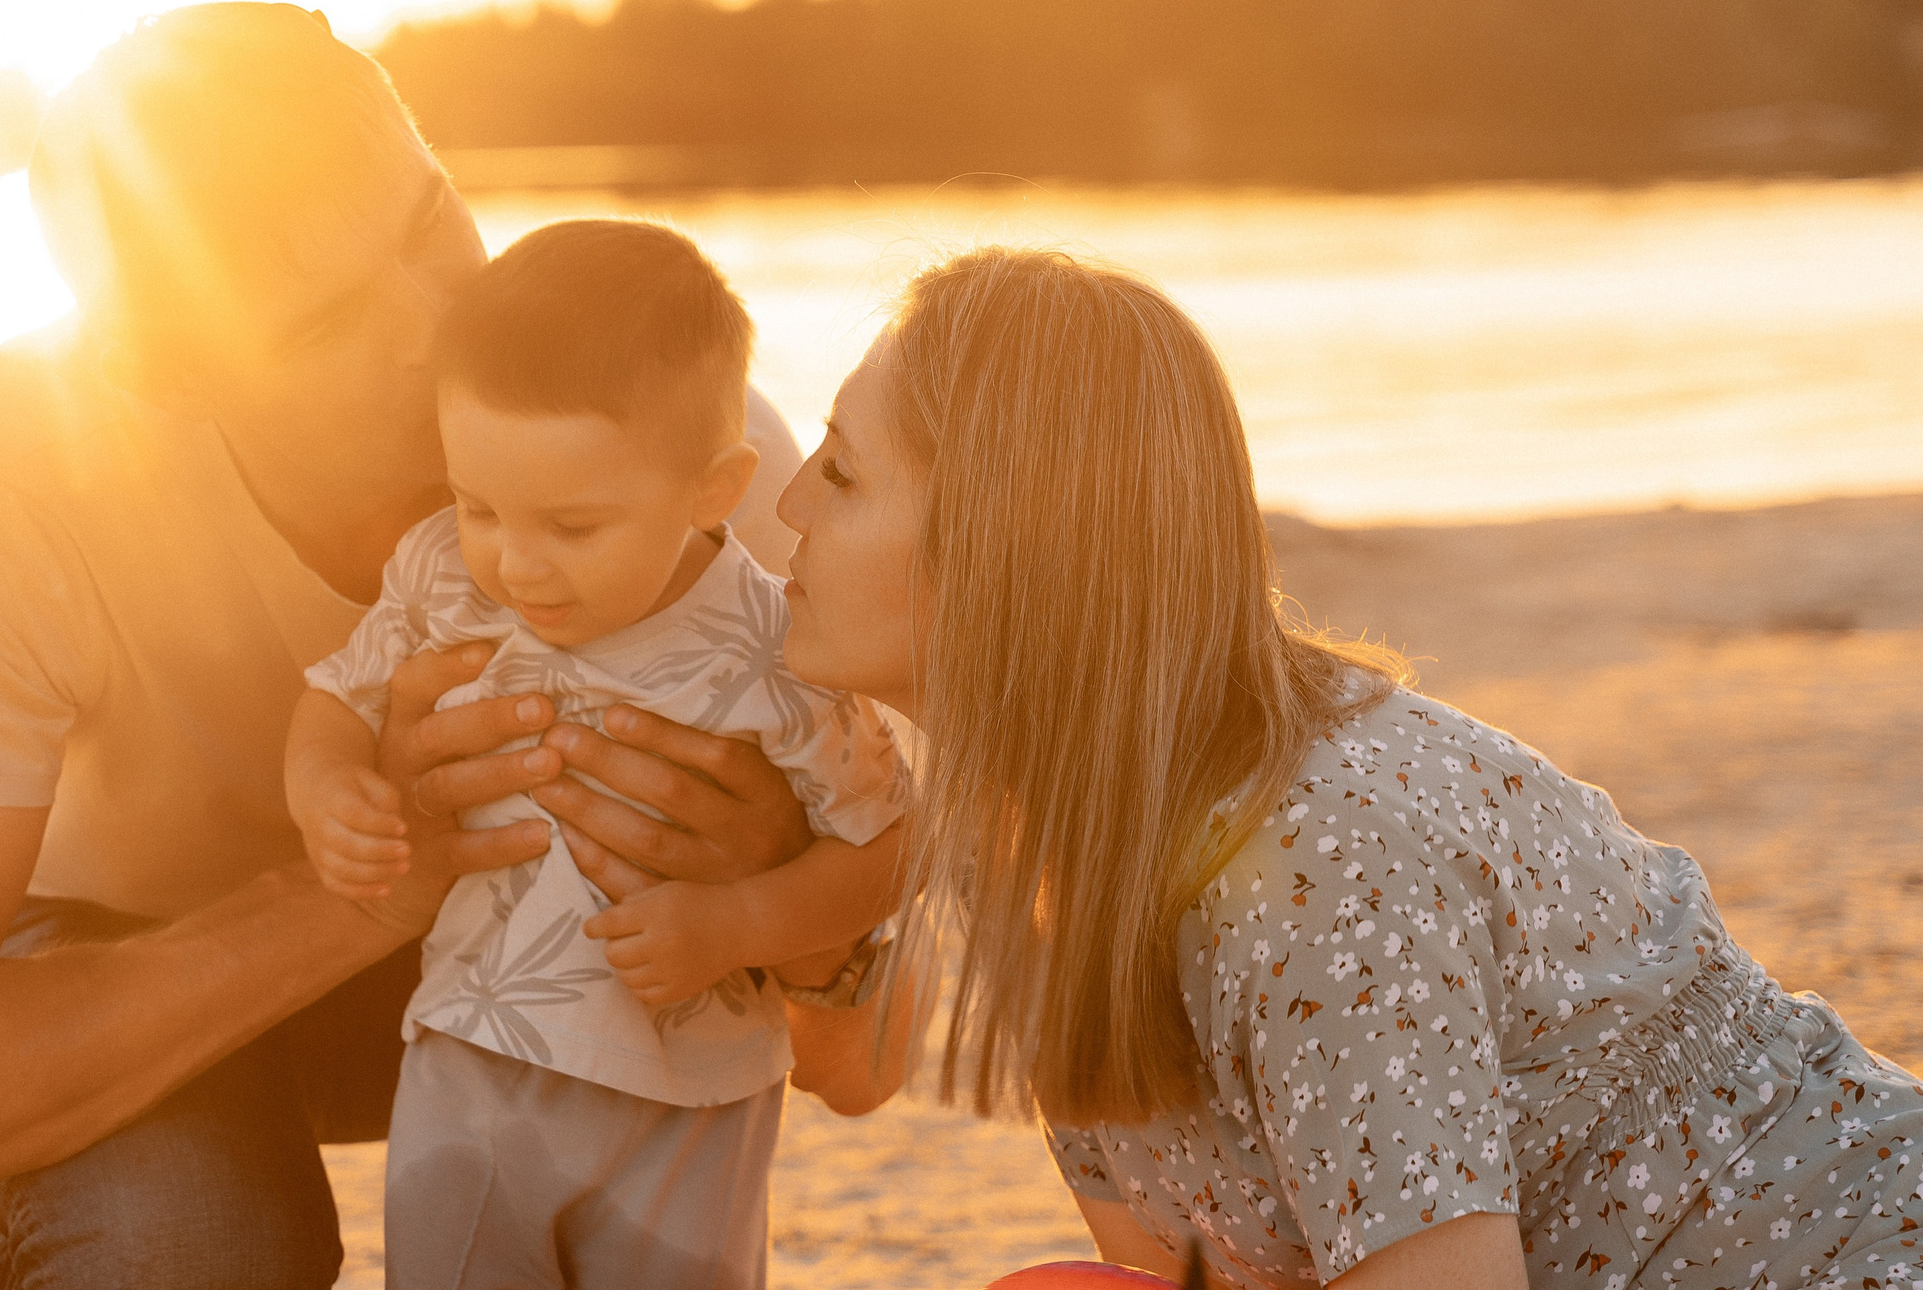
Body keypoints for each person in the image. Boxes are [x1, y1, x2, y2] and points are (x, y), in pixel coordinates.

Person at [0, 4, 835, 1288]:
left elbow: (866, 1065)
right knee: (185, 1239)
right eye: (328, 322)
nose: (440, 320)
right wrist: (371, 882)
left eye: (429, 221)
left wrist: (782, 895)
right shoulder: (14, 476)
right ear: (160, 375)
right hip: (127, 966)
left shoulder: (667, 483)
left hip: (548, 975)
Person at [776, 246, 1923, 1289]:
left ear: (1000, 546)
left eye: (838, 473)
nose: (785, 508)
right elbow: (1173, 1258)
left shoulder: (1317, 859)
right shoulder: (1040, 828)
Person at [285, 219, 912, 1289]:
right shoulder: (444, 571)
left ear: (713, 489)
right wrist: (326, 788)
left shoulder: (775, 650)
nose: (516, 560)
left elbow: (888, 845)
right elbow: (335, 695)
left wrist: (739, 921)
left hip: (690, 1096)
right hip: (469, 1056)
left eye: (573, 526)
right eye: (479, 503)